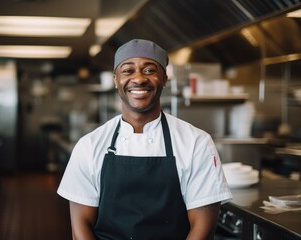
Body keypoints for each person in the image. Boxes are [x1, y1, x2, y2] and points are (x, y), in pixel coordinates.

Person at [57, 39, 232, 240]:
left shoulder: (197, 143)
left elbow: (202, 229)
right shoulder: (89, 146)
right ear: (116, 80)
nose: (139, 79)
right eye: (128, 71)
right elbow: (81, 227)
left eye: (149, 70)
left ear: (164, 79)